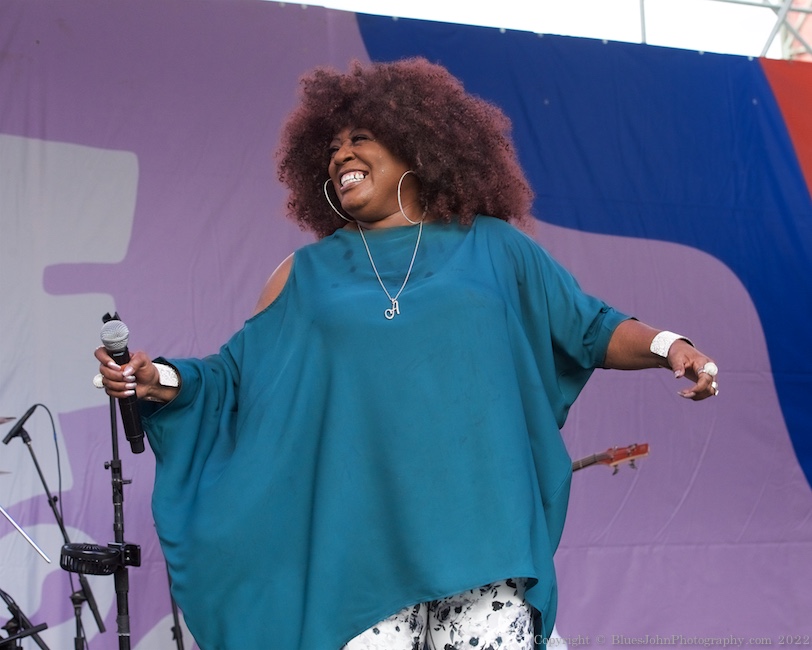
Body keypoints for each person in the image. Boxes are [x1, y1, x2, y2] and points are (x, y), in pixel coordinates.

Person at [94, 58, 718, 650]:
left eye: (361, 137)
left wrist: (671, 347)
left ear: (418, 147)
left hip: (482, 536)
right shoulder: (306, 275)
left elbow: (590, 326)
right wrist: (160, 379)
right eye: (332, 147)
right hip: (359, 554)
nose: (342, 154)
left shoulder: (494, 248)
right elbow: (234, 378)